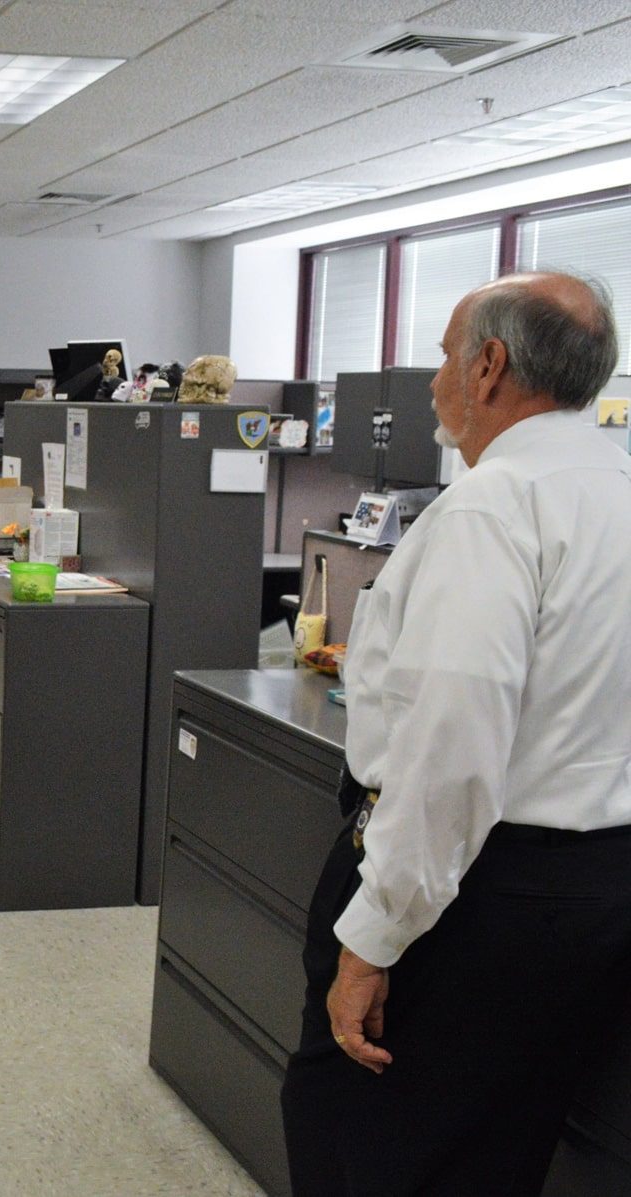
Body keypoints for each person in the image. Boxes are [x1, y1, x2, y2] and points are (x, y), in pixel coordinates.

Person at [280, 272, 631, 1196]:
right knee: (495, 1152)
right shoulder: (618, 485)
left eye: (442, 352)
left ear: (488, 366)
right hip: (593, 893)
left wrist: (373, 939)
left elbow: (451, 752)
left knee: (370, 1142)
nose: (435, 376)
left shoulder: (494, 505)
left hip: (471, 902)